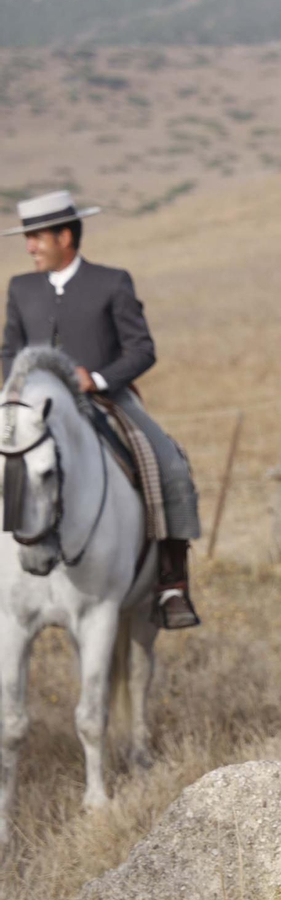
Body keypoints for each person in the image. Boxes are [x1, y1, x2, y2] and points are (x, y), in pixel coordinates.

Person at [1, 190, 202, 629]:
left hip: (106, 398)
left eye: (36, 237)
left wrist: (98, 378)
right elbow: (9, 351)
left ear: (65, 237)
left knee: (170, 462)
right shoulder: (21, 288)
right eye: (28, 238)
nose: (29, 247)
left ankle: (172, 583)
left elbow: (142, 350)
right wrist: (15, 391)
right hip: (33, 406)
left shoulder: (112, 282)